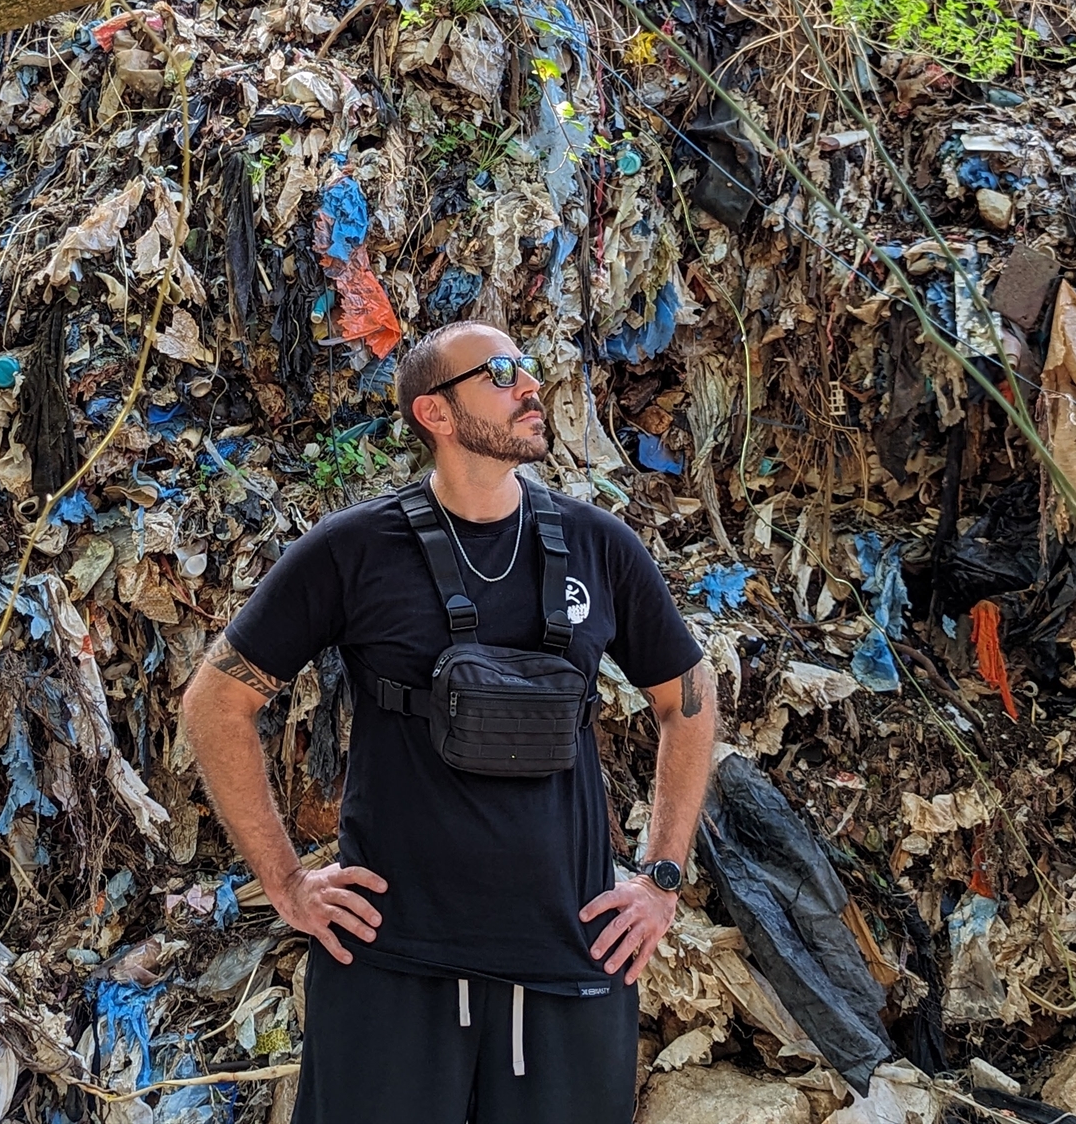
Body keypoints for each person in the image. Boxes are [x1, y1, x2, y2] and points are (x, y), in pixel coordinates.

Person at [181, 319, 717, 1123]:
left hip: (570, 961)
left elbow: (689, 696)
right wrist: (287, 882)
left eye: (528, 368)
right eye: (501, 372)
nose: (530, 386)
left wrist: (662, 879)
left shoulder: (599, 546)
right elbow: (215, 700)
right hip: (392, 966)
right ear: (434, 411)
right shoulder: (354, 549)